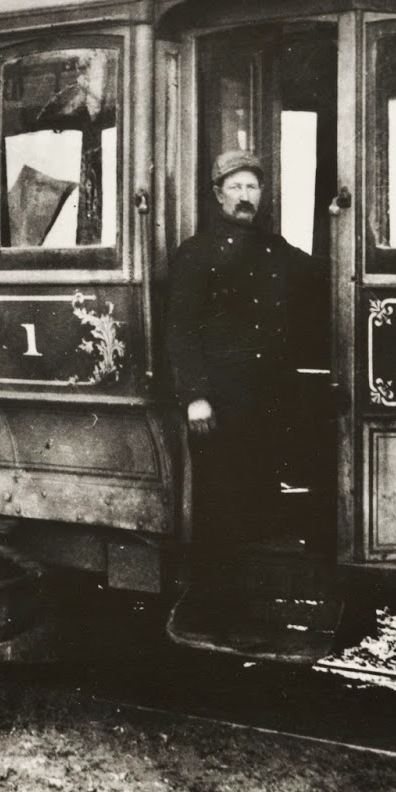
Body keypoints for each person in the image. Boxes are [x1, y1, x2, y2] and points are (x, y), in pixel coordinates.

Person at [165, 150, 323, 550]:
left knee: (261, 497)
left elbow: (322, 274)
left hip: (267, 394)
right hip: (221, 396)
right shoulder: (196, 252)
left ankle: (253, 597)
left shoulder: (275, 248)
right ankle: (217, 600)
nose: (244, 195)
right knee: (222, 506)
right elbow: (181, 328)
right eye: (235, 187)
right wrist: (195, 396)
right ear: (218, 195)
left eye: (251, 186)